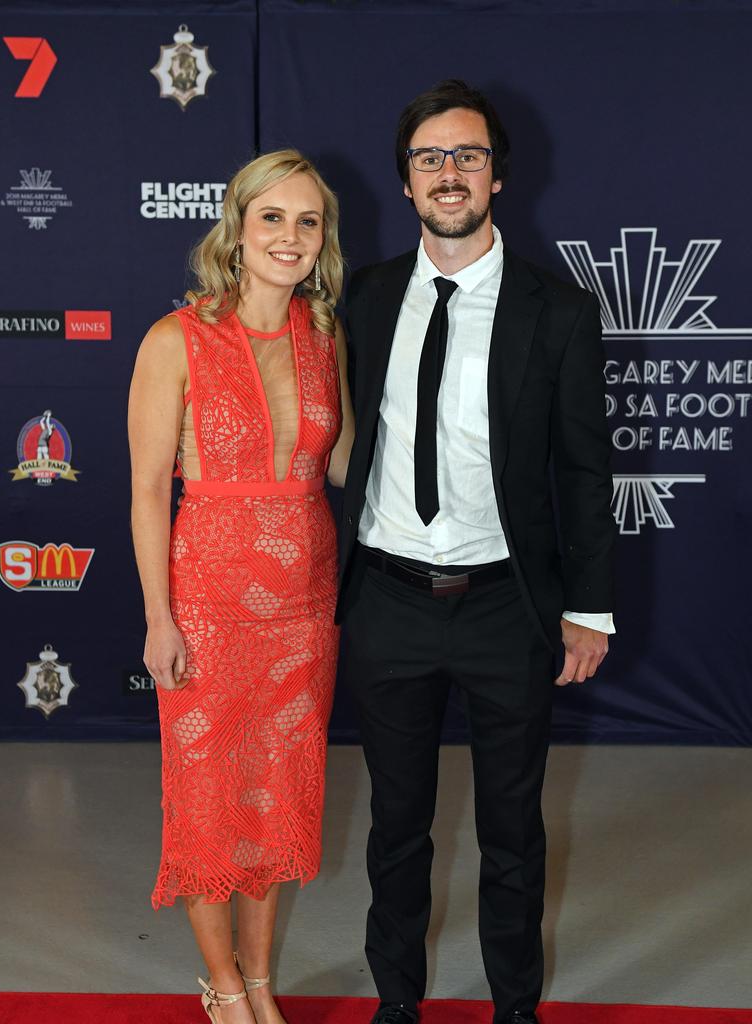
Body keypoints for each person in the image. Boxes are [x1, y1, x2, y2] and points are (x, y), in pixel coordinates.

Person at [338, 80, 616, 1024]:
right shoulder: (366, 299)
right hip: (388, 601)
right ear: (407, 183)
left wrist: (592, 604)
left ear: (498, 174)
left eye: (466, 156)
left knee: (512, 833)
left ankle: (515, 1011)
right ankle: (397, 1009)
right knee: (396, 831)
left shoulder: (561, 311)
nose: (448, 173)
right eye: (429, 158)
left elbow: (584, 470)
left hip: (509, 608)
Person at [128, 149, 353, 1024]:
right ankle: (222, 990)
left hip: (305, 606)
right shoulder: (175, 338)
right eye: (274, 218)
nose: (291, 237)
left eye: (309, 221)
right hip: (209, 608)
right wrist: (159, 618)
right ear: (237, 225)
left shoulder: (326, 336)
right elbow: (149, 488)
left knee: (279, 798)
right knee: (210, 805)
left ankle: (262, 983)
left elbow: (339, 464)